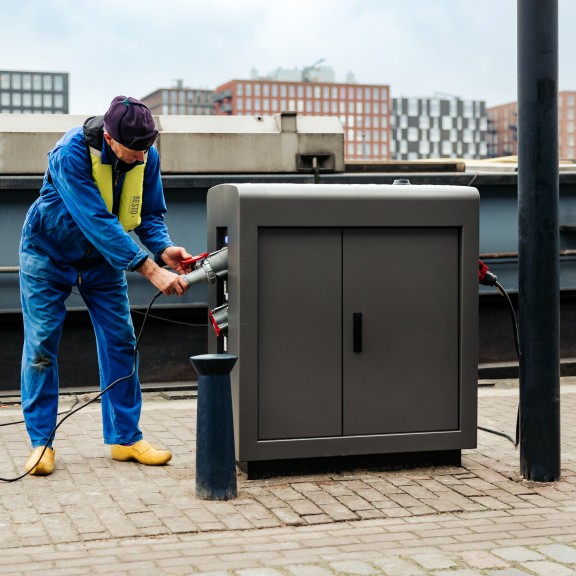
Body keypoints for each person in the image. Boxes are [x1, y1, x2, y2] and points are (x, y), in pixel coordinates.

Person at [19, 95, 193, 475]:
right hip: (48, 254)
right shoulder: (70, 154)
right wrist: (149, 269)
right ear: (111, 140)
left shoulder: (145, 154)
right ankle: (41, 443)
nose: (143, 157)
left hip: (103, 261)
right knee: (42, 345)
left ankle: (125, 439)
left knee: (121, 341)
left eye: (149, 147)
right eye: (135, 150)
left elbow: (147, 213)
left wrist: (163, 248)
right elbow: (96, 220)